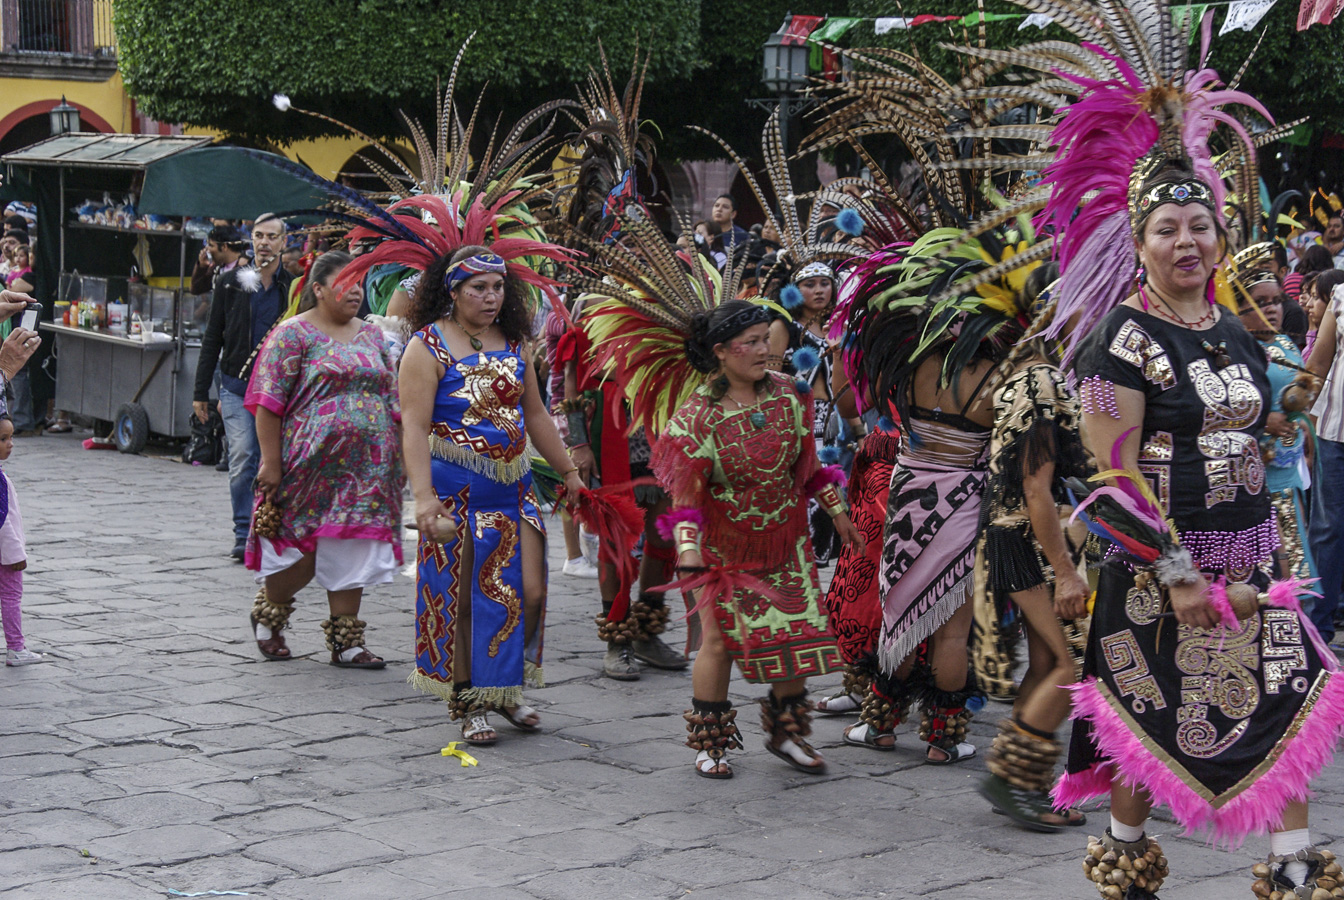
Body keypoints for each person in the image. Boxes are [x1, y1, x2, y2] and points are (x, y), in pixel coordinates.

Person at [653, 299, 857, 778]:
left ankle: (788, 734)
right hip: (724, 550)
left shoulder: (791, 393)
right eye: (754, 342)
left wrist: (838, 512)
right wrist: (688, 553)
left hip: (786, 540)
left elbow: (807, 468)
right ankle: (711, 742)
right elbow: (684, 497)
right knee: (719, 642)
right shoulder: (698, 416)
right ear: (722, 351)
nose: (768, 350)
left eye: (769, 339)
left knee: (796, 636)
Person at [401, 245, 583, 746]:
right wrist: (422, 496)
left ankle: (501, 686)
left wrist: (568, 472)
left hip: (514, 492)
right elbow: (414, 428)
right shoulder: (427, 346)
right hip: (456, 498)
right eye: (478, 288)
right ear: (452, 291)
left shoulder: (514, 341)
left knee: (530, 592)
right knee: (462, 603)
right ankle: (469, 700)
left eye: (498, 286)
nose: (491, 297)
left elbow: (538, 416)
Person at [243, 250, 402, 667]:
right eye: (344, 284)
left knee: (352, 546)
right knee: (303, 548)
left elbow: (392, 397)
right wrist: (270, 462)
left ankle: (346, 641)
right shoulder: (292, 335)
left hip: (366, 471)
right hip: (307, 466)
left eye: (358, 284)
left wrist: (399, 455)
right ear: (318, 289)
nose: (355, 293)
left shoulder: (372, 336)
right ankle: (270, 613)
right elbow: (268, 403)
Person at [974, 272, 1092, 832]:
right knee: (1072, 667)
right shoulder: (1042, 380)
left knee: (1048, 661)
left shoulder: (1025, 375)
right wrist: (1067, 575)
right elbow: (1036, 487)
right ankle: (1012, 781)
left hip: (1015, 535)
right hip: (1027, 540)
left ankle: (1026, 781)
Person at [193, 214, 294, 560]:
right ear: (250, 240)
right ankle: (242, 531)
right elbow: (212, 337)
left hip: (280, 392)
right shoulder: (231, 283)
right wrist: (200, 391)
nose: (264, 242)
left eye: (271, 236)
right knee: (242, 457)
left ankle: (269, 526)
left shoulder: (292, 287)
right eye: (258, 235)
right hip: (236, 387)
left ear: (284, 242)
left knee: (276, 461)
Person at [1234, 267, 1318, 595]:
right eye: (1260, 302)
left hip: (1289, 466)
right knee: (1277, 565)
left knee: (1296, 555)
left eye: (1277, 301)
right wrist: (1262, 418)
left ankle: (1299, 628)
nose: (1271, 308)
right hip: (1256, 474)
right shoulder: (1234, 351)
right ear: (1238, 310)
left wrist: (1304, 434)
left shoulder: (1284, 342)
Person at [0, 415, 39, 666]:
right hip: (6, 555)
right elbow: (2, 521)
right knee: (11, 596)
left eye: (11, 437)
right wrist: (16, 554)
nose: (10, 443)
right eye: (4, 439)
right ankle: (16, 647)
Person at [708, 194, 749, 260]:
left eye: (725, 207)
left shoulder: (741, 236)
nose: (719, 209)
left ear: (733, 214)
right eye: (716, 206)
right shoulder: (704, 231)